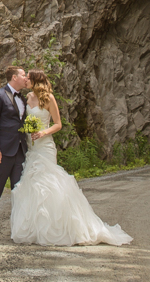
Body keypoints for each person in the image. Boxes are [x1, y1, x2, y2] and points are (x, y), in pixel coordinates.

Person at [9, 70, 132, 247]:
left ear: (37, 81)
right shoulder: (27, 97)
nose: (26, 80)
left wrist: (43, 131)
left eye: (29, 77)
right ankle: (37, 227)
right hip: (31, 147)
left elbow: (58, 124)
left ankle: (59, 226)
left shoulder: (49, 98)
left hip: (45, 146)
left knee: (49, 183)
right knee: (33, 183)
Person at [0, 66, 30, 241]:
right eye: (24, 75)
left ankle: (19, 229)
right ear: (14, 77)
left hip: (19, 152)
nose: (26, 78)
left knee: (19, 191)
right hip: (1, 152)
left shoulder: (23, 99)